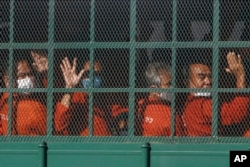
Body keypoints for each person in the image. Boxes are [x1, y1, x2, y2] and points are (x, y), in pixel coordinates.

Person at [182, 52, 249, 136]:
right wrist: (240, 77)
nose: (208, 81)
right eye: (201, 77)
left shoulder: (190, 102)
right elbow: (236, 113)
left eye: (210, 76)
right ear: (186, 82)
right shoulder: (201, 104)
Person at [54, 57, 110, 136]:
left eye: (97, 74)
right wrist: (69, 89)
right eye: (88, 74)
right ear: (81, 76)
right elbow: (59, 124)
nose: (92, 78)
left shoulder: (105, 97)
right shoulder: (76, 97)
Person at [0, 58, 47, 135]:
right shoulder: (4, 100)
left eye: (30, 74)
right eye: (22, 75)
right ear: (7, 80)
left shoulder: (5, 98)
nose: (28, 79)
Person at [135, 62, 172, 136]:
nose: (172, 88)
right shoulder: (169, 112)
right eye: (168, 84)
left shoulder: (139, 105)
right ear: (154, 88)